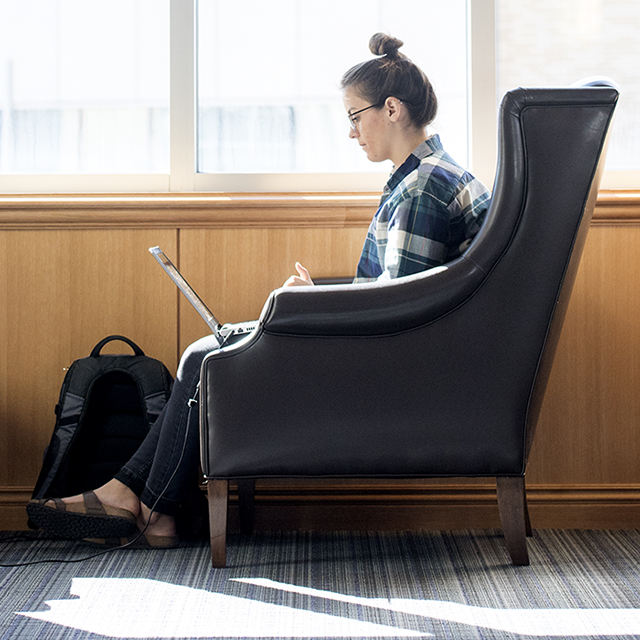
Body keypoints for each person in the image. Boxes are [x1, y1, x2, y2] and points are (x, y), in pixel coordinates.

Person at [27, 33, 491, 548]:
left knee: (207, 356)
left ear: (392, 108)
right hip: (387, 350)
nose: (353, 132)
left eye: (355, 117)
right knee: (209, 352)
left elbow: (400, 314)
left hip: (386, 366)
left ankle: (144, 506)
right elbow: (400, 294)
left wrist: (308, 308)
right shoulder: (427, 176)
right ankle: (143, 505)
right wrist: (315, 301)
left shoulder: (423, 187)